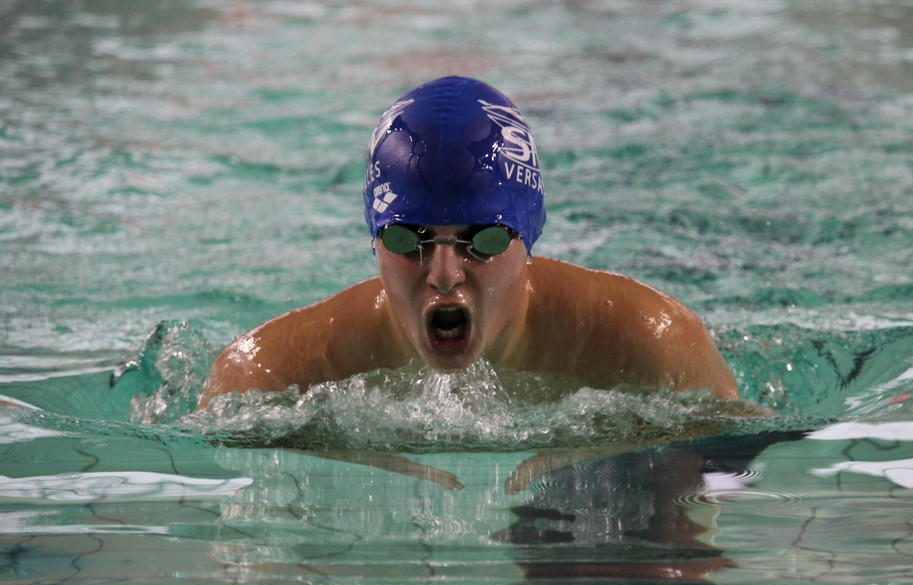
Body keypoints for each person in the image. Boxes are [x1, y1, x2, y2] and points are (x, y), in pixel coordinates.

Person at [198, 76, 739, 410]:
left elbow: (735, 477)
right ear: (374, 238)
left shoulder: (650, 345)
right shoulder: (269, 375)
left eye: (482, 239)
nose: (443, 274)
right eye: (408, 237)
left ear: (528, 237)